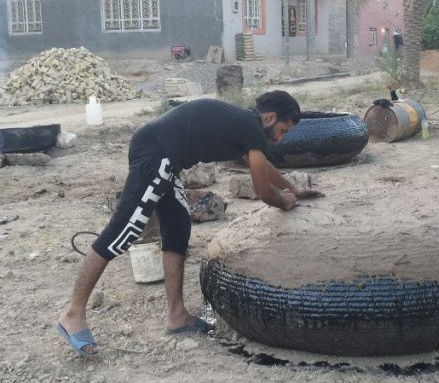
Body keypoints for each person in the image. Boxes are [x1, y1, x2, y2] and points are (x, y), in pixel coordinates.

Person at [57, 90, 319, 357]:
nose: (280, 137)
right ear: (270, 117)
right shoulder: (251, 128)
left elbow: (262, 168)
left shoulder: (244, 125)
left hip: (165, 157)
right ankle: (73, 314)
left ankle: (177, 315)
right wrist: (284, 201)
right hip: (156, 154)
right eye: (283, 130)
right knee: (123, 231)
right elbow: (263, 191)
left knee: (178, 228)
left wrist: (293, 190)